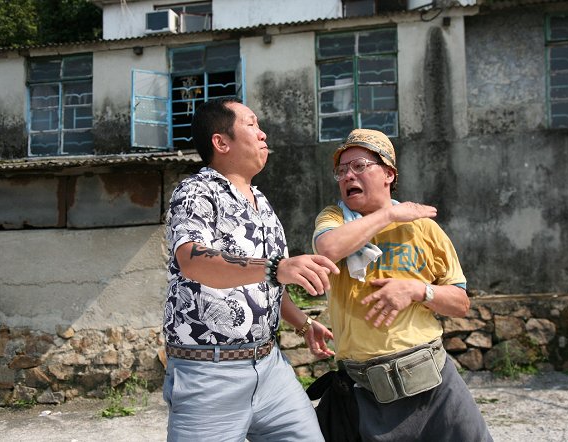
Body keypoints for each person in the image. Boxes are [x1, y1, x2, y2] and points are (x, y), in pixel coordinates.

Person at [163, 97, 339, 442]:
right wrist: (277, 268)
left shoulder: (262, 202)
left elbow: (265, 284)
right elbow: (192, 259)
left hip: (270, 368)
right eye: (252, 124)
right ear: (221, 141)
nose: (263, 134)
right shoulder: (195, 192)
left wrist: (303, 322)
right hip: (208, 373)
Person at [312, 128, 493, 441]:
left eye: (358, 166)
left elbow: (460, 302)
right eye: (341, 171)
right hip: (367, 391)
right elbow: (328, 249)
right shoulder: (335, 219)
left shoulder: (424, 229)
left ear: (388, 174)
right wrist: (390, 215)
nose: (347, 176)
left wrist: (417, 290)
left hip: (435, 383)